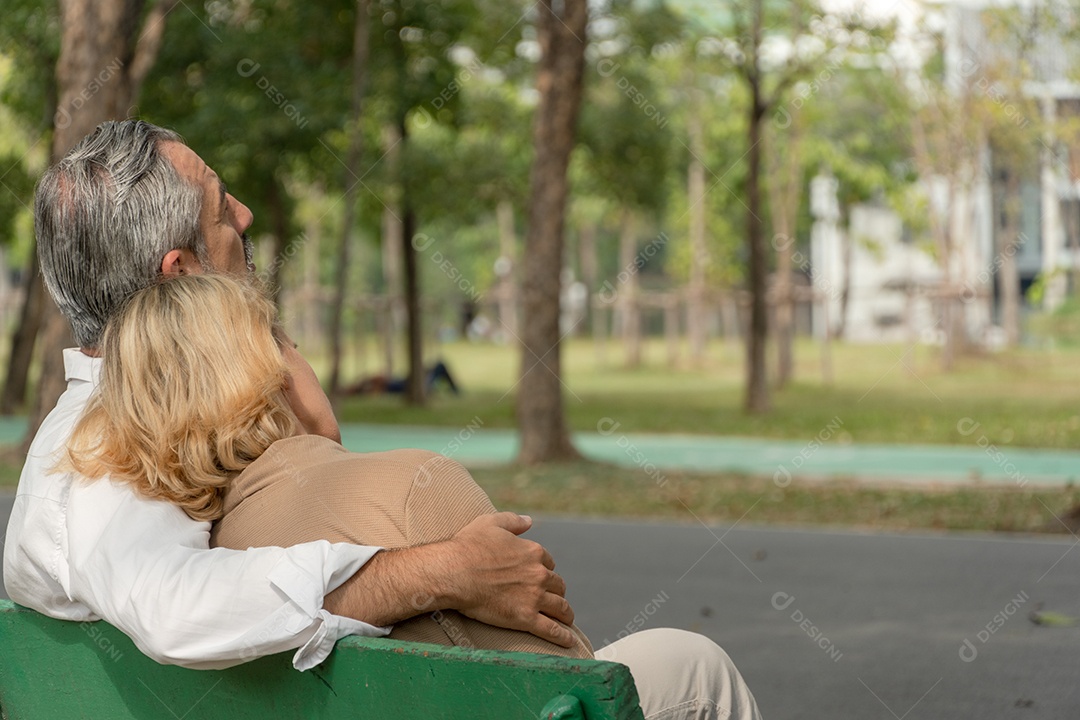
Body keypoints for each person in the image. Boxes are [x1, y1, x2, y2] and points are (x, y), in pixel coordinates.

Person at [4, 120, 762, 719]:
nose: (245, 211)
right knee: (692, 667)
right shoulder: (101, 451)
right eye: (220, 205)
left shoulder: (147, 426)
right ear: (184, 271)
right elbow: (173, 609)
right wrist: (443, 570)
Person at [64, 273, 594, 659]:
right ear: (270, 372)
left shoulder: (197, 550)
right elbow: (575, 685)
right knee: (676, 660)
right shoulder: (416, 487)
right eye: (290, 342)